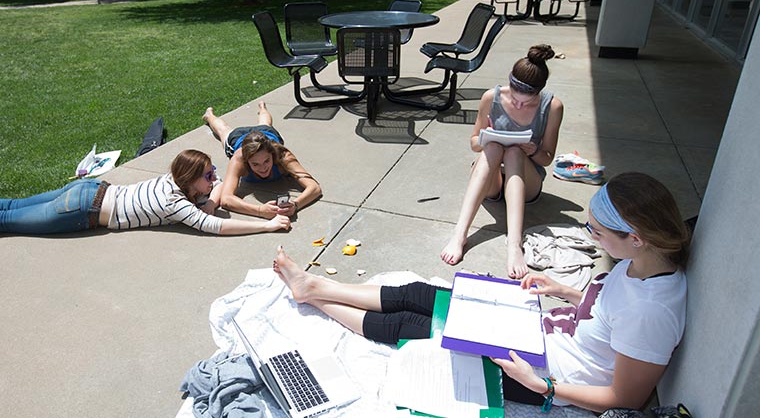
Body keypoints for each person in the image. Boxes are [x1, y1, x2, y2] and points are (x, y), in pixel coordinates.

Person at [273, 172, 690, 413]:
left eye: (596, 232)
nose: (591, 237)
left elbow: (625, 399)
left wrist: (542, 387)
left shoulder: (652, 312)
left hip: (540, 371)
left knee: (416, 329)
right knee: (421, 292)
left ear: (635, 237)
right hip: (536, 334)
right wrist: (562, 289)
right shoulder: (639, 267)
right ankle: (315, 285)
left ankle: (313, 297)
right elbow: (606, 316)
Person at [440, 44, 564, 279]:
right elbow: (474, 142)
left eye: (527, 102)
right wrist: (487, 139)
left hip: (527, 180)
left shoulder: (553, 106)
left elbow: (547, 159)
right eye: (515, 99)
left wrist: (533, 149)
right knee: (494, 146)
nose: (518, 105)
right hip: (492, 178)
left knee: (515, 152)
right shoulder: (491, 97)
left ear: (539, 92)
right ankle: (460, 234)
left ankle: (514, 245)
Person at [0, 149, 291, 235]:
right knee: (8, 221)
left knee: (12, 205)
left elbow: (214, 192)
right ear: (190, 180)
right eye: (208, 174)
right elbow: (215, 227)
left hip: (87, 189)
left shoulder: (173, 180)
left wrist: (212, 202)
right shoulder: (174, 202)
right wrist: (265, 226)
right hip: (81, 210)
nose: (215, 178)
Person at [203, 102, 322, 219]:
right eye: (255, 164)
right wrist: (260, 210)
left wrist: (295, 205)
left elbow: (314, 187)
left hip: (266, 134)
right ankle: (209, 115)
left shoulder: (282, 156)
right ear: (247, 161)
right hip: (239, 138)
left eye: (266, 161)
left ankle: (262, 107)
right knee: (223, 130)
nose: (263, 168)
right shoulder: (239, 159)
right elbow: (226, 199)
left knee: (265, 123)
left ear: (272, 155)